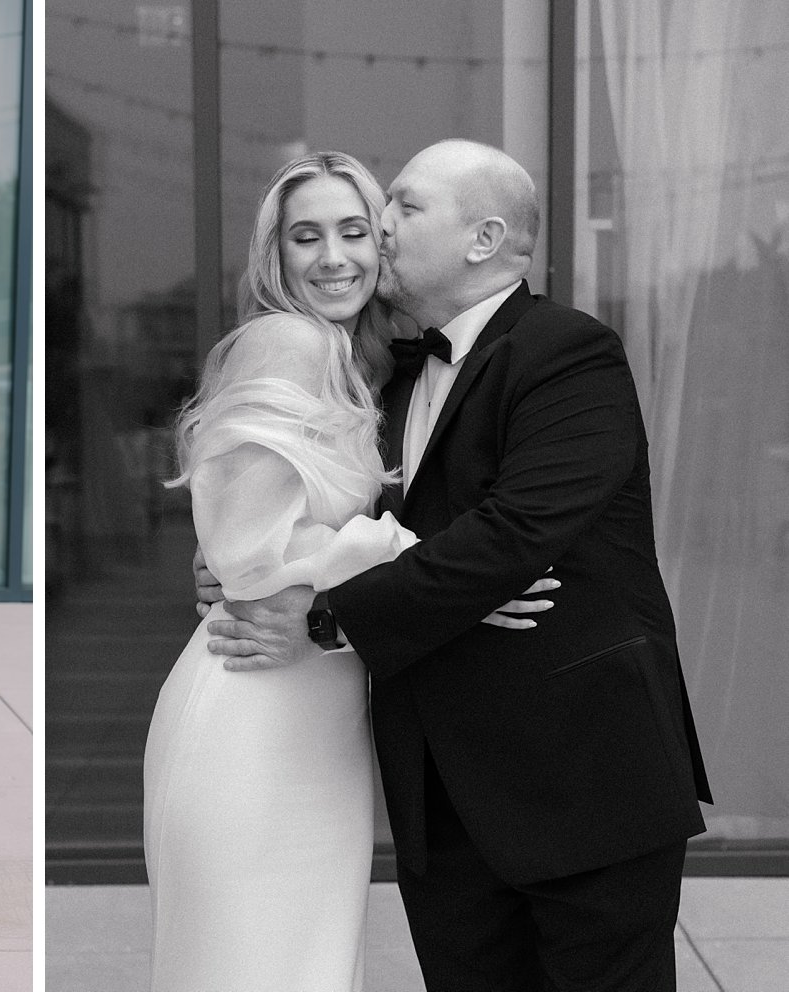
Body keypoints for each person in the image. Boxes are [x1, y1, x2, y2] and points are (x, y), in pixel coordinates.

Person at [204, 139, 711, 991]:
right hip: (443, 800)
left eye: (402, 207)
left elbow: (515, 533)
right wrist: (244, 563)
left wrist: (324, 616)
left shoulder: (569, 352)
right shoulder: (388, 375)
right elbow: (327, 515)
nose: (381, 231)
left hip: (583, 782)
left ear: (482, 240)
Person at [144, 150, 552, 991]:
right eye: (306, 236)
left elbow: (288, 527)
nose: (334, 257)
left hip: (314, 713)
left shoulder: (364, 363)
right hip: (252, 709)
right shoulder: (286, 340)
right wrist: (445, 574)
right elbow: (247, 556)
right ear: (276, 256)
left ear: (385, 243)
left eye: (355, 231)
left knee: (306, 965)